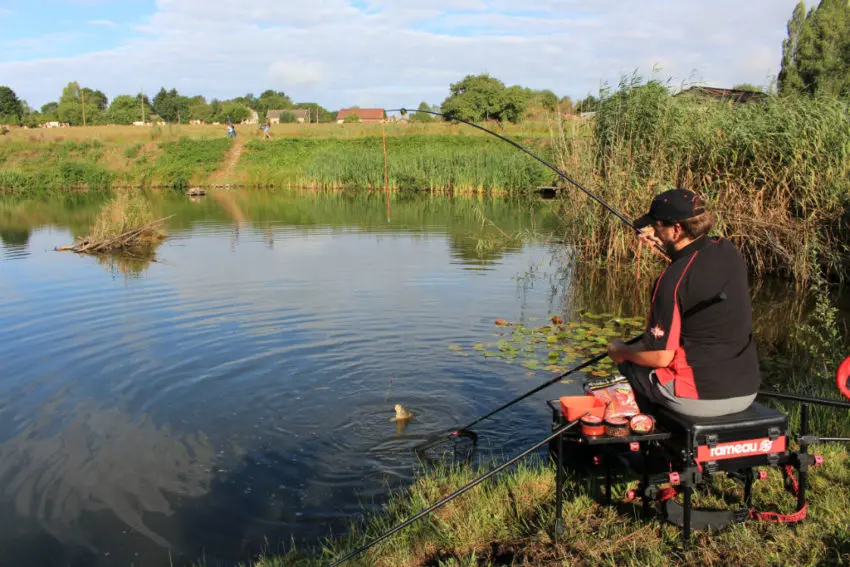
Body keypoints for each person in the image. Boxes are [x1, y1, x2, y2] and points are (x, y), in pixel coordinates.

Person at [606, 188, 761, 418]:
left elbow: (661, 357)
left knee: (631, 366)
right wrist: (661, 242)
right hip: (746, 390)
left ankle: (650, 439)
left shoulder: (670, 282)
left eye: (658, 227)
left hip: (698, 398)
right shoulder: (728, 251)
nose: (654, 231)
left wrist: (622, 352)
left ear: (677, 229)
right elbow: (693, 264)